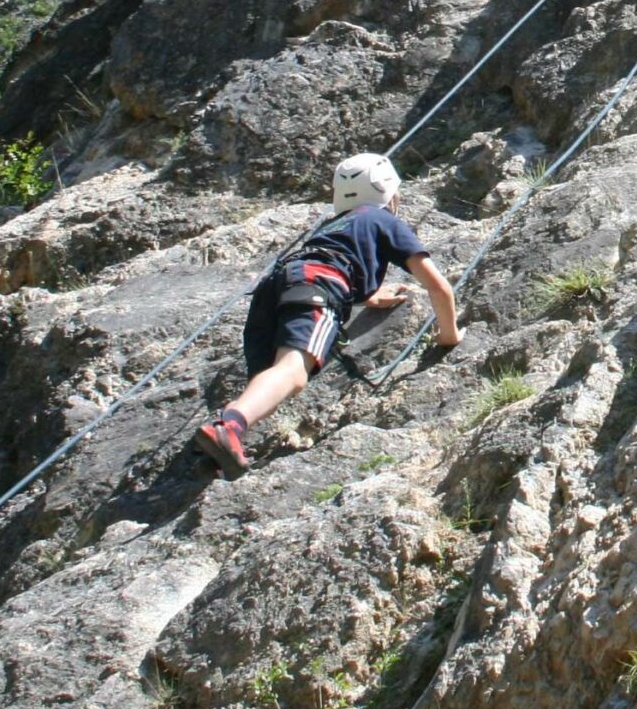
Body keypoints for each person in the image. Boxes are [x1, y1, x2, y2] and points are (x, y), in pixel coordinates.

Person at [193, 152, 462, 476]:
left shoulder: (332, 225)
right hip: (318, 284)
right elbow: (439, 287)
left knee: (268, 377)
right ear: (390, 196)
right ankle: (230, 427)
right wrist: (449, 336)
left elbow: (330, 261)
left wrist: (367, 296)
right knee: (293, 371)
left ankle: (216, 454)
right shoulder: (384, 219)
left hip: (276, 288)